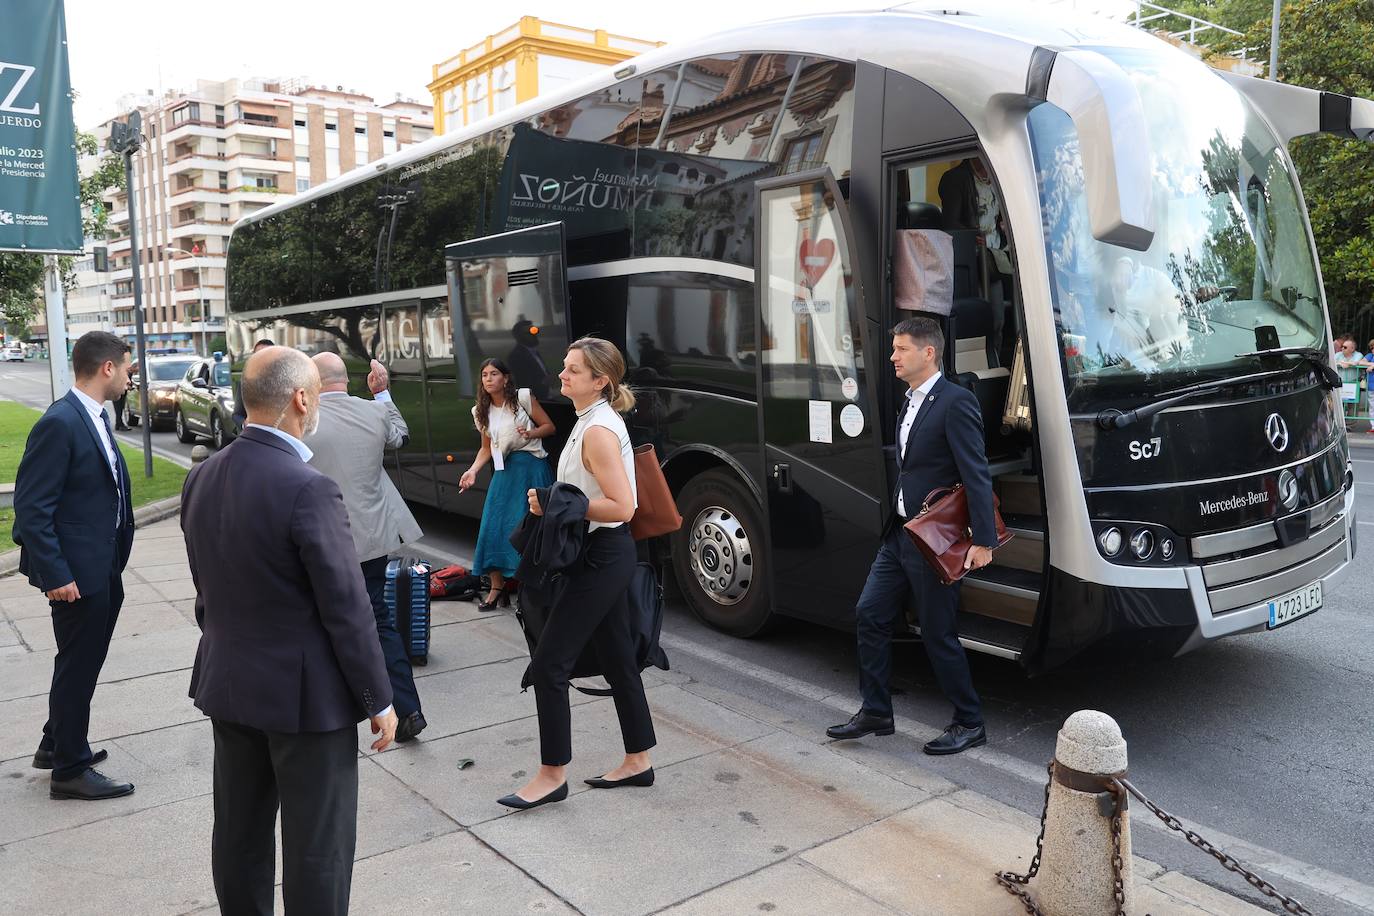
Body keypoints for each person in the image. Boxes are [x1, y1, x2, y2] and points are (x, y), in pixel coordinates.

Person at [181, 346, 397, 915]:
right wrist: (379, 697)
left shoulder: (201, 477)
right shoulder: (308, 488)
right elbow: (347, 608)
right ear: (303, 398)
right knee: (317, 848)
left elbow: (207, 591)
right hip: (306, 701)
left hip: (229, 685)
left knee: (239, 833)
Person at [498, 337, 655, 810]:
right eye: (564, 368)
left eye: (572, 370)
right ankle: (638, 760)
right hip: (602, 553)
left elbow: (623, 507)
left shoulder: (598, 430)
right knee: (618, 660)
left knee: (549, 665)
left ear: (599, 381)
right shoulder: (590, 420)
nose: (561, 376)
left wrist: (554, 503)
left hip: (603, 555)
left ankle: (552, 775)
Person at [827, 316, 996, 756]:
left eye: (901, 349)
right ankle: (877, 711)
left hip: (934, 542)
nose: (893, 357)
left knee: (938, 633)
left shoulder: (954, 402)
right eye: (894, 348)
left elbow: (976, 474)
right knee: (869, 614)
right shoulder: (910, 402)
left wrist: (983, 540)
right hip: (900, 536)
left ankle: (969, 721)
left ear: (928, 352)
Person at [12, 331, 137, 800]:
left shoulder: (96, 418)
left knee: (82, 663)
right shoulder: (61, 422)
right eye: (127, 368)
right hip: (77, 576)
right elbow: (31, 508)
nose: (129, 377)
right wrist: (56, 573)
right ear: (107, 367)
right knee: (77, 666)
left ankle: (55, 743)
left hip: (103, 567)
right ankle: (69, 769)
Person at [306, 352, 428, 743]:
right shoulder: (374, 413)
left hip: (325, 538)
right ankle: (407, 709)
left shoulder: (304, 419)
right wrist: (383, 393)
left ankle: (338, 711)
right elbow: (401, 434)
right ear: (347, 379)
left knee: (323, 623)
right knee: (378, 619)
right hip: (374, 535)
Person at [459, 358, 555, 610]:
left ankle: (531, 589)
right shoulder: (480, 411)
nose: (488, 379)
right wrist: (472, 471)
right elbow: (486, 448)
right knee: (494, 525)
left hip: (531, 467)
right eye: (484, 375)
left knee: (529, 527)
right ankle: (496, 588)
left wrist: (531, 433)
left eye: (494, 374)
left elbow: (549, 427)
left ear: (505, 378)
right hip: (505, 470)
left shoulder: (522, 398)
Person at [231, 337, 276, 434]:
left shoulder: (286, 383)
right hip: (252, 437)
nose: (263, 359)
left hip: (278, 440)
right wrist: (245, 424)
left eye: (267, 354)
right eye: (259, 355)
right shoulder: (245, 382)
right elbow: (237, 415)